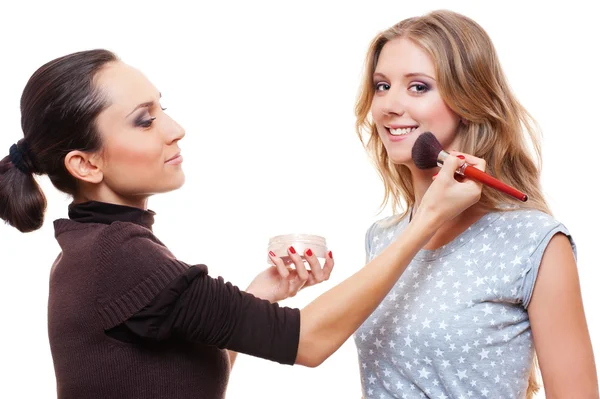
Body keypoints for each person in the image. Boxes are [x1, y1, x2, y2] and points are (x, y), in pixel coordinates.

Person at [0, 49, 482, 399]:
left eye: (161, 107)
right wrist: (425, 223)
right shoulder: (121, 256)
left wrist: (260, 294)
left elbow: (187, 381)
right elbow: (308, 342)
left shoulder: (98, 247)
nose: (174, 128)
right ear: (85, 165)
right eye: (144, 121)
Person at [353, 9, 598, 399]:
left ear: (469, 99)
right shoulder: (383, 238)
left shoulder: (533, 242)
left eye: (418, 87)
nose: (388, 105)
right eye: (381, 86)